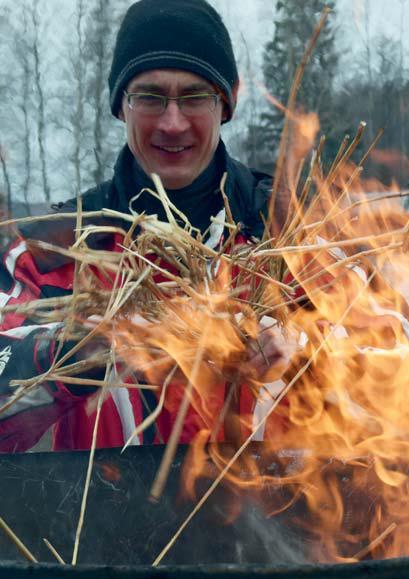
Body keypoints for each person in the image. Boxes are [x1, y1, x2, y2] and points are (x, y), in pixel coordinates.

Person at [0, 0, 288, 453]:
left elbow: (405, 361)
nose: (172, 123)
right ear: (121, 106)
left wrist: (306, 353)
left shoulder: (285, 232)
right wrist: (71, 352)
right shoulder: (56, 248)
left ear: (225, 104)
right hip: (104, 519)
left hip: (271, 517)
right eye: (150, 97)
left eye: (194, 96)